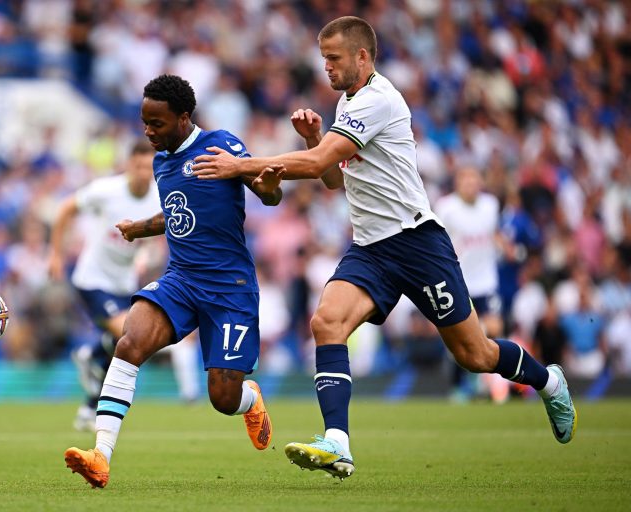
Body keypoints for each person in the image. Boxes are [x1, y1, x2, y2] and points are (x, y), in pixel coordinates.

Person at [192, 16, 577, 480]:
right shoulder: (348, 101)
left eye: (333, 59)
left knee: (475, 356)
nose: (326, 68)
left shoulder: (377, 99)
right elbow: (334, 177)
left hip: (417, 243)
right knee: (326, 321)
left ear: (362, 56)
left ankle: (549, 381)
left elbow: (317, 166)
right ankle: (338, 442)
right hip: (371, 247)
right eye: (323, 59)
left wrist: (241, 166)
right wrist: (315, 139)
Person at [64, 74, 284, 488]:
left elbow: (266, 192)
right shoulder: (163, 161)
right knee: (129, 342)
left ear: (184, 118)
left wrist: (269, 187)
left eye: (157, 123)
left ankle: (250, 400)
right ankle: (100, 455)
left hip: (229, 288)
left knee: (223, 397)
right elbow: (179, 215)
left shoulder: (221, 144)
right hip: (181, 279)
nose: (148, 132)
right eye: (144, 122)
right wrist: (138, 227)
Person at [48, 140, 200, 432]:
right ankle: (92, 354)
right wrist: (55, 253)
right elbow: (67, 207)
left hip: (124, 281)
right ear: (129, 165)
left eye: (149, 166)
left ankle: (89, 404)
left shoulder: (159, 196)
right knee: (130, 333)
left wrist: (143, 256)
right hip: (92, 279)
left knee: (124, 342)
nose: (145, 172)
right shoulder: (106, 190)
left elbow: (157, 235)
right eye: (139, 166)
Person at [435, 165, 504, 402]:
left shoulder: (491, 205)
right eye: (466, 180)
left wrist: (507, 247)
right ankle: (458, 387)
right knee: (459, 338)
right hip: (459, 281)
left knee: (493, 329)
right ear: (458, 184)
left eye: (475, 180)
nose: (471, 185)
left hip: (486, 281)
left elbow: (494, 234)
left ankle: (485, 382)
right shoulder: (446, 207)